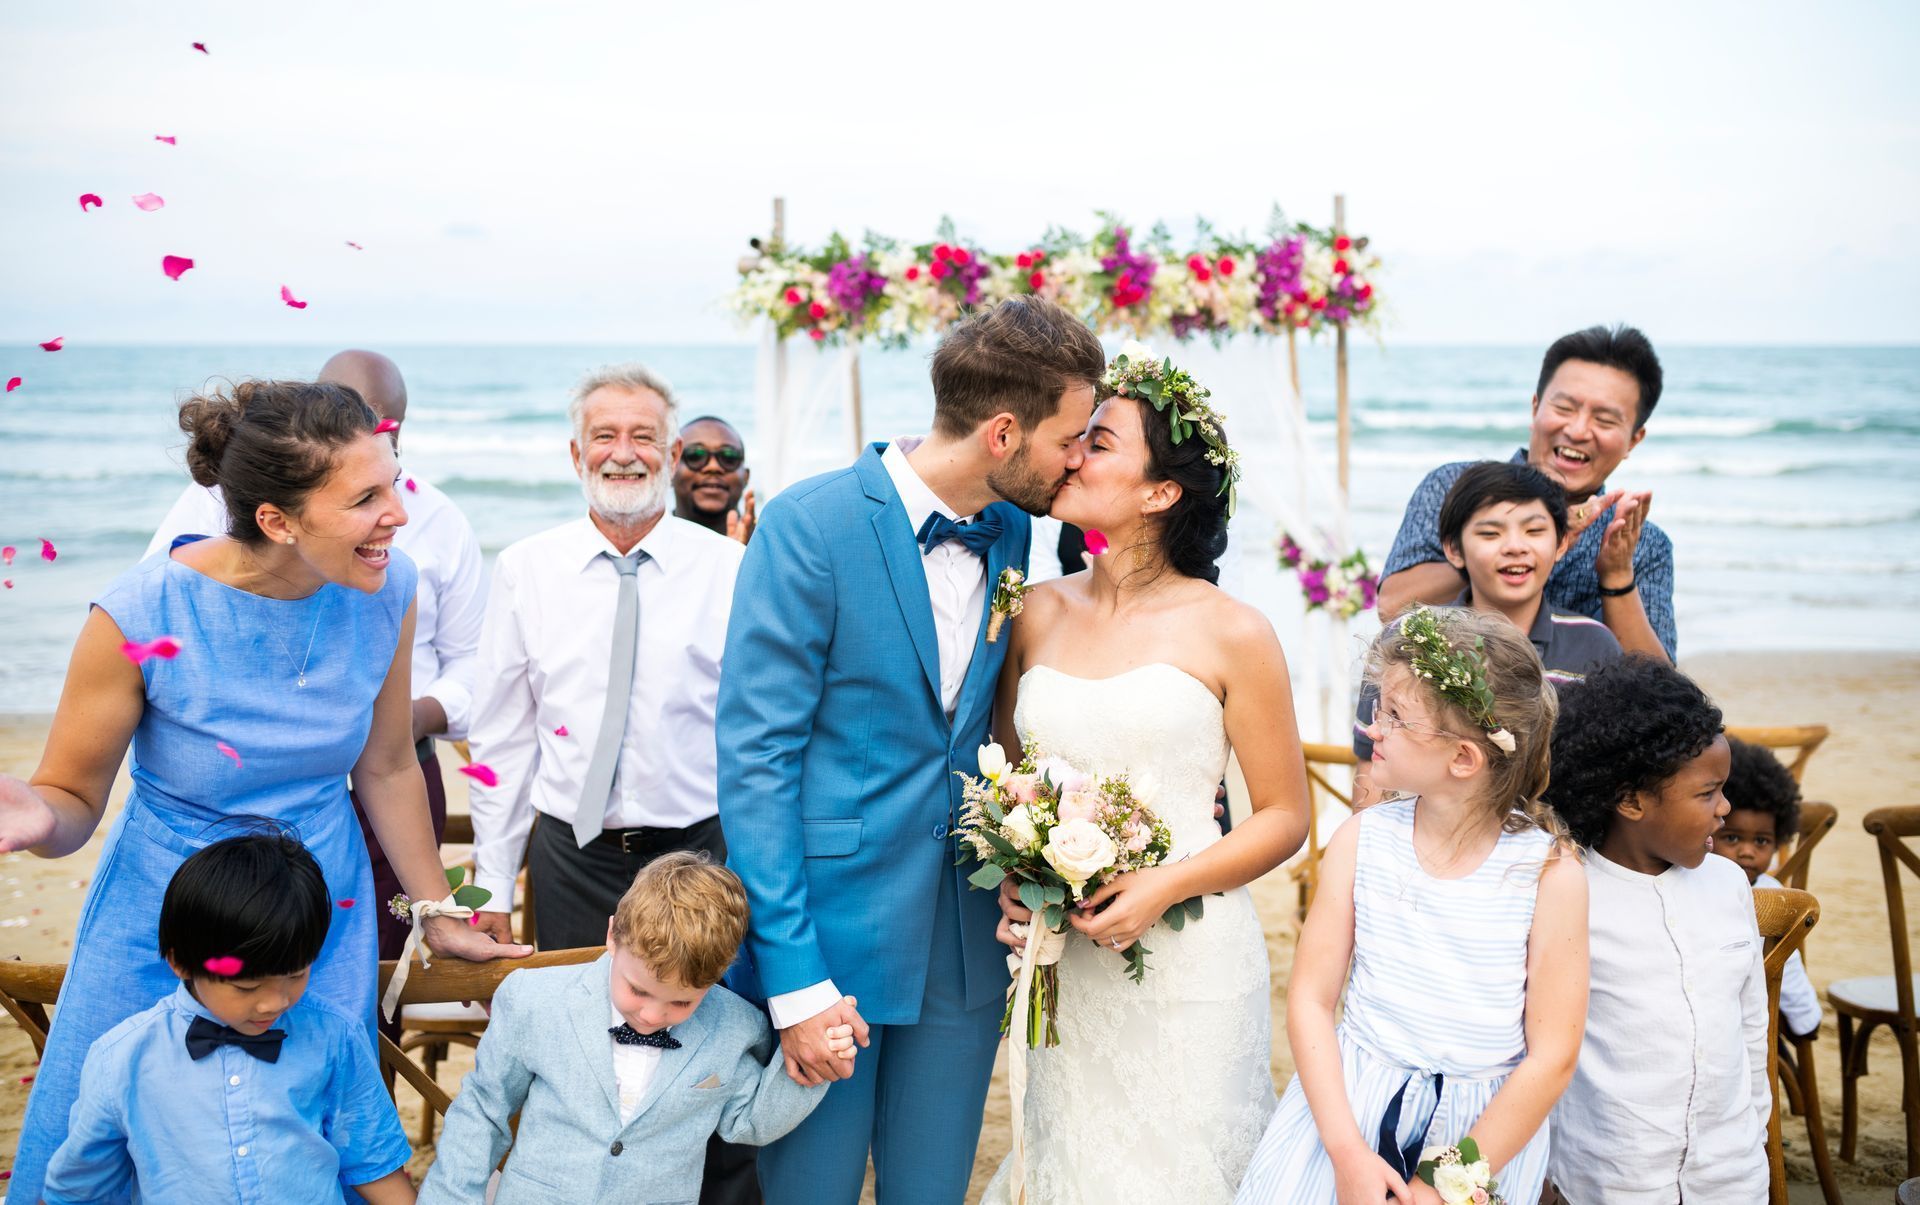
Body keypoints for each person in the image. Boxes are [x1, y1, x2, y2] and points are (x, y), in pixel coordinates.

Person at [0, 380, 524, 1204]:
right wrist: (41, 813)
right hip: (163, 915)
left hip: (316, 914)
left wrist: (438, 912)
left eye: (395, 480)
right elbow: (70, 798)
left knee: (305, 1142)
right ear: (277, 520)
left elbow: (385, 764)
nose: (398, 512)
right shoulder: (141, 609)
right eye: (365, 497)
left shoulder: (390, 585)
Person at [718, 296, 1103, 1204]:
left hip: (964, 943)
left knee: (931, 1189)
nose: (1079, 459)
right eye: (1071, 438)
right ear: (1004, 433)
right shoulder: (807, 526)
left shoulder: (1011, 527)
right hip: (830, 943)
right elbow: (755, 763)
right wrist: (796, 983)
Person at [983, 347, 1311, 1203]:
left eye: (1099, 441)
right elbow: (1005, 780)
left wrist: (1163, 886)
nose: (1072, 454)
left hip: (1190, 959)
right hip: (1067, 957)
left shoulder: (1234, 631)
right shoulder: (1033, 612)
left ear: (1161, 492)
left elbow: (1283, 815)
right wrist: (1018, 881)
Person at [464, 363, 751, 1203]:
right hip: (571, 855)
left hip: (697, 850)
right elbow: (503, 737)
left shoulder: (728, 569)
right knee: (580, 1053)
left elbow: (753, 728)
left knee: (705, 1046)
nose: (623, 453)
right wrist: (487, 883)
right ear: (574, 451)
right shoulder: (525, 568)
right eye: (605, 435)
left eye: (642, 437)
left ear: (665, 453)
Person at [144, 350, 487, 991]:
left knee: (371, 976)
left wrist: (386, 717)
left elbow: (470, 667)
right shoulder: (197, 527)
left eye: (388, 434)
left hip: (392, 769)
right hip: (230, 801)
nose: (396, 510)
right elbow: (165, 629)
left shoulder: (429, 534)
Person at [1238, 607, 1587, 1205]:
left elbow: (1552, 1056)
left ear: (1463, 758)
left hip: (1480, 1135)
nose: (1373, 727)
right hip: (1346, 1105)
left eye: (1396, 716)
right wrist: (1348, 1154)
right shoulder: (1363, 839)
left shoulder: (1548, 873)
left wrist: (1442, 1184)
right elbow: (1311, 999)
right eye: (1379, 707)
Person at [419, 853, 842, 1204]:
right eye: (638, 990)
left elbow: (747, 1123)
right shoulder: (534, 999)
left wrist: (819, 1060)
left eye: (682, 1002)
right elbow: (482, 1112)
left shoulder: (734, 1026)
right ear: (612, 936)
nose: (654, 1016)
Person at [44, 831, 415, 1204]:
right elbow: (79, 1188)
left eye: (295, 975)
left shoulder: (334, 1036)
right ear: (180, 963)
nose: (274, 1003)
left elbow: (374, 1162)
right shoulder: (122, 1059)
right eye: (247, 987)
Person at [1543, 659, 1769, 1203]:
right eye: (1707, 793)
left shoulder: (1729, 885)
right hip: (1612, 1179)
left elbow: (1750, 1024)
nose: (1726, 809)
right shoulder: (1568, 895)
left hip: (1731, 1178)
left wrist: (1755, 1135)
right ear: (1630, 800)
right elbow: (1541, 1049)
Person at [1376, 325, 1676, 662]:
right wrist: (1491, 553)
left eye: (1604, 420)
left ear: (1634, 440)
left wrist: (1617, 575)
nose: (1577, 431)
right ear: (1535, 408)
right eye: (1564, 408)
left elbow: (1659, 694)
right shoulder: (1452, 486)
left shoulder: (1643, 545)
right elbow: (1391, 608)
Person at [1352, 460, 1622, 807]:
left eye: (1534, 531)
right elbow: (1370, 767)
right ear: (1453, 549)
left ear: (1561, 543)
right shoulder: (1406, 637)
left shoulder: (1594, 645)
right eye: (1490, 533)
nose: (1514, 546)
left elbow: (1609, 778)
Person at [1716, 735, 1822, 1039]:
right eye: (1733, 838)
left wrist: (1805, 1020)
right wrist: (1808, 1023)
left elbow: (1788, 968)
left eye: (1761, 841)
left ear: (1778, 840)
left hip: (1759, 1022)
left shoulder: (1774, 895)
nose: (1747, 852)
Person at [673, 413, 756, 543]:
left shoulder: (771, 546)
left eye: (729, 457)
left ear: (746, 477)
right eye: (695, 456)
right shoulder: (643, 544)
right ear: (669, 471)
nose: (713, 467)